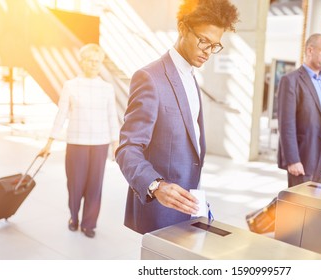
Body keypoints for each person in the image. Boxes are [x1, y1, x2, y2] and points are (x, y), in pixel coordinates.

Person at [115, 0, 239, 234]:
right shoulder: (150, 78)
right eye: (203, 41)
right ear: (183, 29)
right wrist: (155, 185)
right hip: (160, 207)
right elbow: (127, 148)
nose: (208, 52)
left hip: (190, 203)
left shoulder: (191, 77)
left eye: (215, 46)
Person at [39, 43, 120, 238]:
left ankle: (89, 224)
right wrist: (50, 142)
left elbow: (112, 116)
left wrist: (115, 144)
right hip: (76, 142)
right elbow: (62, 114)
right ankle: (74, 217)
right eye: (90, 60)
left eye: (97, 61)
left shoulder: (107, 88)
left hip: (100, 144)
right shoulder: (71, 85)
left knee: (95, 185)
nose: (94, 64)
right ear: (82, 62)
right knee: (75, 184)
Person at [277, 33, 321, 187]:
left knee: (313, 202)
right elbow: (286, 124)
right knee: (298, 205)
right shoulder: (290, 81)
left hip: (320, 154)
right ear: (310, 51)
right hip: (302, 155)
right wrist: (293, 160)